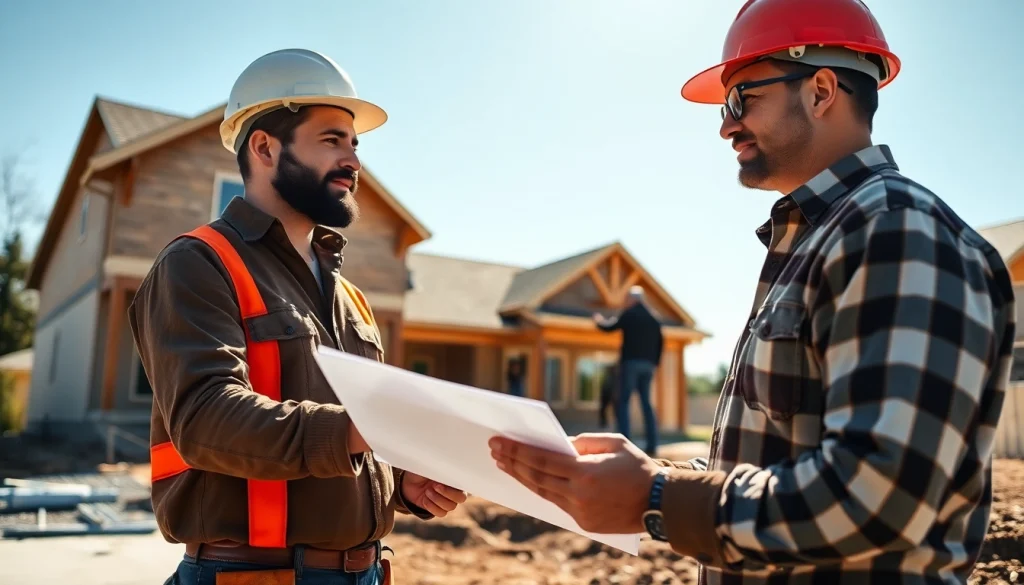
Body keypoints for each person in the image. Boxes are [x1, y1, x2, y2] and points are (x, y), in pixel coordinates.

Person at [489, 1, 1017, 583]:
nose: (725, 125)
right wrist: (649, 475)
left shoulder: (897, 232)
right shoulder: (824, 239)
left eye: (742, 99)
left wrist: (658, 496)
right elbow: (778, 460)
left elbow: (882, 495)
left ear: (821, 91)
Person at [130, 48, 466, 585]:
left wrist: (401, 481)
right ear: (264, 147)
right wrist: (362, 429)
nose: (354, 161)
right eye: (332, 140)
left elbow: (347, 435)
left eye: (355, 144)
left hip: (367, 572)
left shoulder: (351, 298)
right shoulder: (197, 263)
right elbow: (204, 418)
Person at [593, 285, 664, 454]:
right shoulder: (654, 318)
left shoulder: (629, 314)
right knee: (646, 404)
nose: (626, 302)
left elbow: (610, 327)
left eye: (627, 299)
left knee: (623, 401)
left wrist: (598, 321)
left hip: (631, 364)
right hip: (648, 366)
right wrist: (655, 363)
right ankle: (652, 445)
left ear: (633, 299)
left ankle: (623, 444)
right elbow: (661, 343)